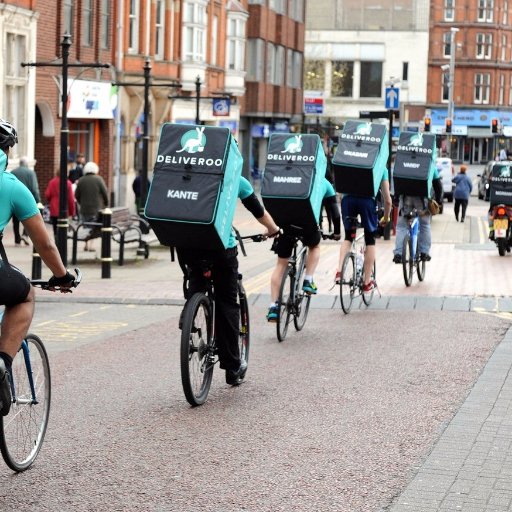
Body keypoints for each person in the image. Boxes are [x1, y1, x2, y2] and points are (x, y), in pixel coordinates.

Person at [0, 118, 76, 416]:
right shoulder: (10, 185)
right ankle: (2, 364)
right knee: (25, 293)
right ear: (6, 150)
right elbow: (44, 244)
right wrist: (62, 276)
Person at [177, 175, 280, 386]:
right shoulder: (236, 179)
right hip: (222, 249)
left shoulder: (185, 172)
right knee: (227, 303)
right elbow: (257, 211)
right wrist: (273, 230)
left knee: (197, 278)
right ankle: (232, 367)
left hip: (188, 245)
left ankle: (191, 309)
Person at [267, 177, 341, 322]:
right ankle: (308, 280)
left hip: (286, 226)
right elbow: (335, 213)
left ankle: (273, 308)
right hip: (309, 226)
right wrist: (337, 232)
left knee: (281, 265)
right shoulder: (324, 183)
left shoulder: (289, 179)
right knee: (315, 246)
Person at [337, 166, 392, 292]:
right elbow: (388, 201)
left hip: (347, 200)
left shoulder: (350, 159)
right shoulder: (381, 167)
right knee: (370, 239)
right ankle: (367, 282)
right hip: (367, 201)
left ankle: (339, 272)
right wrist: (386, 217)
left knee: (348, 237)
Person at [392, 167, 443, 263]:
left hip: (405, 197)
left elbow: (397, 179)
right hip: (421, 199)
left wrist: (396, 197)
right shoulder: (428, 161)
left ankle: (398, 254)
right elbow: (437, 184)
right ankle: (424, 252)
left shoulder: (404, 160)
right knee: (424, 225)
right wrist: (439, 200)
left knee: (401, 226)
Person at [74, 161, 109, 251]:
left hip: (84, 208)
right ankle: (90, 245)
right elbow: (104, 193)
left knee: (86, 226)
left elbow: (76, 195)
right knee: (93, 227)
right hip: (96, 208)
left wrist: (80, 202)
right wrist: (106, 203)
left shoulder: (81, 180)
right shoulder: (99, 179)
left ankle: (86, 244)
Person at [10, 156, 41, 246]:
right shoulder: (31, 173)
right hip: (26, 201)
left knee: (15, 221)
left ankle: (17, 239)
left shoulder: (12, 172)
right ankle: (25, 234)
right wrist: (38, 200)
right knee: (28, 219)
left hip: (14, 200)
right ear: (27, 164)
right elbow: (35, 188)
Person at [45, 169, 76, 238]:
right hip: (64, 209)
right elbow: (71, 199)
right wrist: (72, 212)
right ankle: (62, 243)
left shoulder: (52, 182)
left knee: (55, 228)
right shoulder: (68, 183)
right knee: (63, 228)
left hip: (54, 208)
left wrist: (52, 200)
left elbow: (47, 194)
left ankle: (56, 241)